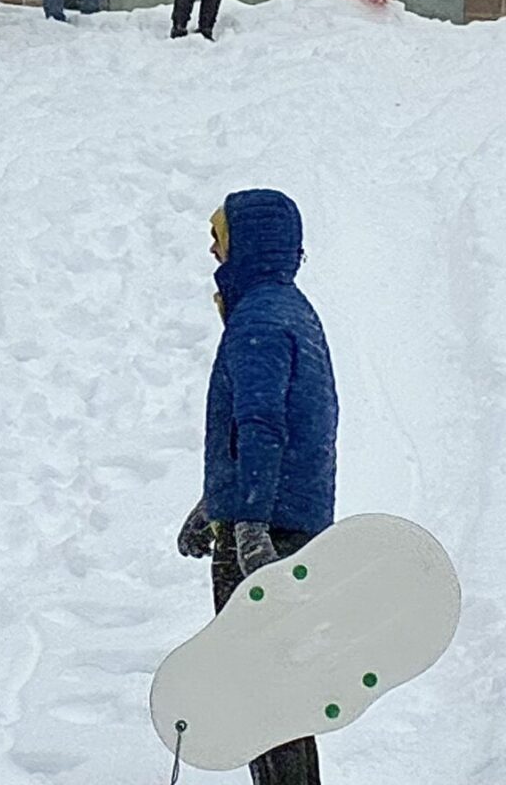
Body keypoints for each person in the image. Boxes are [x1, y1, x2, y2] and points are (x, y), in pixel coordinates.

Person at [176, 189, 337, 785]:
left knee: (262, 692)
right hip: (284, 519)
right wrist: (212, 503)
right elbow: (271, 433)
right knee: (280, 690)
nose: (212, 250)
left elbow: (262, 426)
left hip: (265, 530)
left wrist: (246, 525)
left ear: (247, 243)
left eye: (219, 236)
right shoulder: (288, 310)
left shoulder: (260, 323)